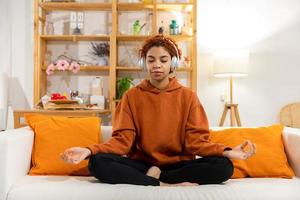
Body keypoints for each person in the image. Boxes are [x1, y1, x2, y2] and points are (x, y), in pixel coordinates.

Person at [61, 35, 256, 186]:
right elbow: (122, 142)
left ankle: (159, 177)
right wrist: (88, 150)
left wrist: (227, 152)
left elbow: (197, 142)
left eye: (163, 60)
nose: (157, 65)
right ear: (144, 63)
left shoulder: (188, 96)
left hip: (178, 165)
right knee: (97, 162)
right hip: (143, 164)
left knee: (223, 167)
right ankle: (160, 184)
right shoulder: (131, 96)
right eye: (151, 60)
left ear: (172, 62)